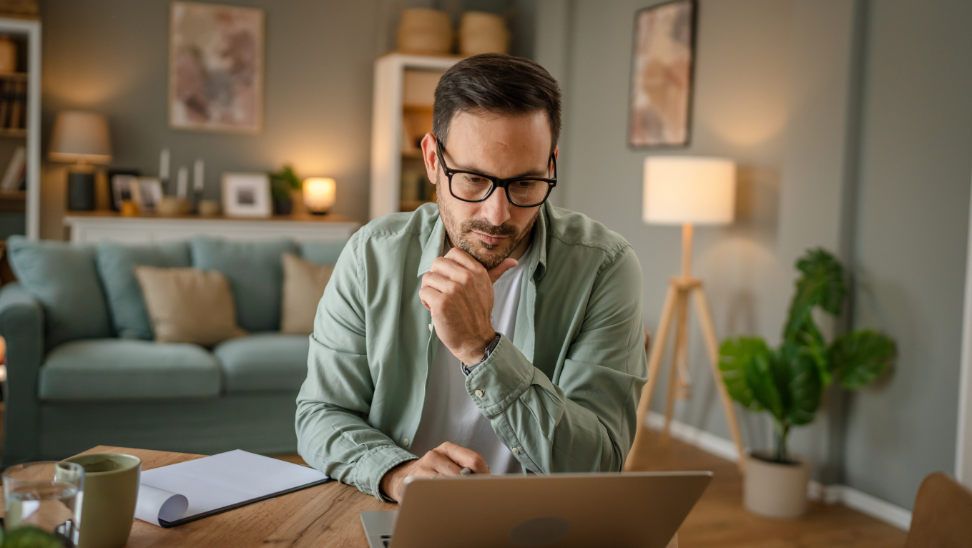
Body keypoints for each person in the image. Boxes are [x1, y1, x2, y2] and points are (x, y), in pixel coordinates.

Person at [296, 53, 648, 502]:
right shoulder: (373, 255)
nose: (497, 214)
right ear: (431, 160)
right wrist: (398, 473)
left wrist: (483, 348)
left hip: (537, 522)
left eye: (525, 183)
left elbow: (597, 464)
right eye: (472, 179)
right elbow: (320, 413)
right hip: (398, 514)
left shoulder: (605, 267)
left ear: (551, 165)